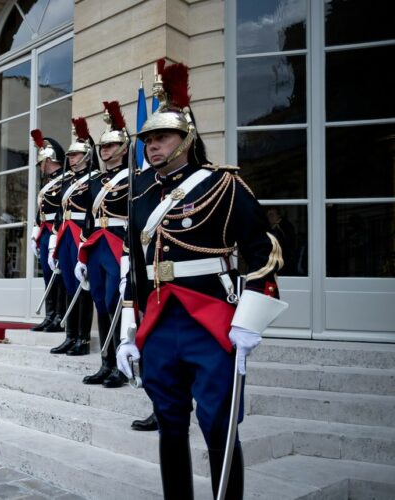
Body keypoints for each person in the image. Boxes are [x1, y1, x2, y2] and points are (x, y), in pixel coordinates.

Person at [116, 59, 288, 499]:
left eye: (163, 137)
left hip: (210, 321)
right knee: (169, 425)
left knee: (218, 426)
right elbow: (136, 270)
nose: (153, 147)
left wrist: (250, 319)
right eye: (149, 139)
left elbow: (263, 255)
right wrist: (129, 332)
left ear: (187, 138)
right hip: (159, 323)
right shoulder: (137, 194)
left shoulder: (223, 186)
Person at [75, 101, 130, 387]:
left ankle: (123, 365)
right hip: (96, 244)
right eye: (103, 147)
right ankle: (106, 362)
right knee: (99, 301)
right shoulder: (94, 180)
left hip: (120, 243)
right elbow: (87, 217)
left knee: (115, 301)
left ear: (122, 148)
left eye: (110, 147)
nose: (105, 151)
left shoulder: (133, 178)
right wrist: (81, 256)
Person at [48, 117, 96, 356]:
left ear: (87, 156)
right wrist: (52, 239)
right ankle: (70, 335)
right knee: (68, 284)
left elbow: (92, 211)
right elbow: (60, 211)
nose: (71, 158)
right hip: (66, 234)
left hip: (81, 234)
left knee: (82, 286)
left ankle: (83, 339)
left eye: (76, 155)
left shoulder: (94, 179)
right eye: (70, 155)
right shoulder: (69, 180)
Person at [29, 130, 67, 332]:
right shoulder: (47, 184)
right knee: (47, 274)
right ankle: (50, 315)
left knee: (58, 275)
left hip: (58, 231)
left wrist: (53, 233)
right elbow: (41, 211)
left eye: (41, 163)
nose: (40, 168)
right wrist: (36, 231)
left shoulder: (65, 180)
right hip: (45, 232)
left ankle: (60, 316)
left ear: (49, 160)